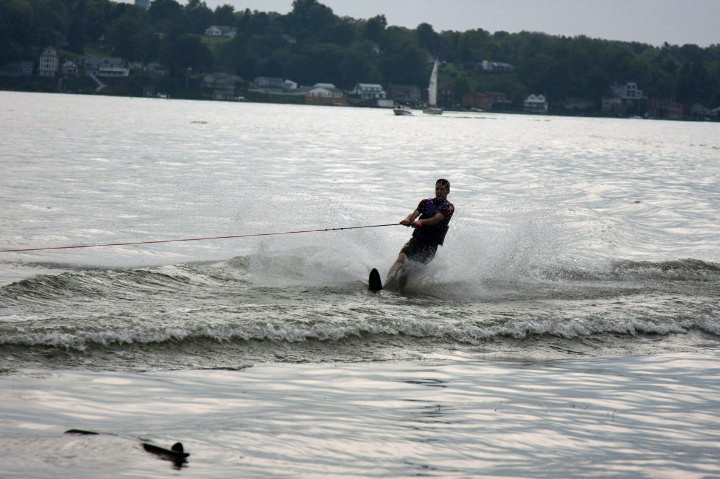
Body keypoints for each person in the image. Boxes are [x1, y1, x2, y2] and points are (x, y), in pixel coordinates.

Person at [387, 178, 454, 289]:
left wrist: (420, 221)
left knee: (406, 269)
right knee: (400, 260)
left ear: (448, 191)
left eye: (442, 189)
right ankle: (386, 283)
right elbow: (413, 215)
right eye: (437, 189)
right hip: (416, 240)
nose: (439, 191)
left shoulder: (449, 207)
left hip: (430, 246)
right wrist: (408, 220)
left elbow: (436, 219)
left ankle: (400, 292)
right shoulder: (425, 203)